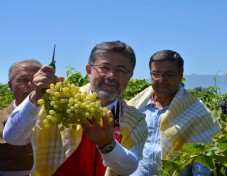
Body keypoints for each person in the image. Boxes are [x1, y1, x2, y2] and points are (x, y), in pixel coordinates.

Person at [4, 41, 148, 176]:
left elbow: (129, 167)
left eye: (121, 71)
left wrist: (107, 144)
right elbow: (13, 138)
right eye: (104, 68)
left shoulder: (135, 119)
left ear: (130, 76)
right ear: (89, 70)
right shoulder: (59, 100)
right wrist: (35, 97)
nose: (111, 76)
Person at [128, 50, 221, 175]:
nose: (161, 79)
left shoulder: (198, 112)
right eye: (156, 74)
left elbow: (202, 163)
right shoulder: (137, 106)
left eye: (169, 74)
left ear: (181, 75)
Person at [0, 59, 41, 175]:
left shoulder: (56, 117)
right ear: (10, 86)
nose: (31, 85)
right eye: (23, 80)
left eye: (36, 80)